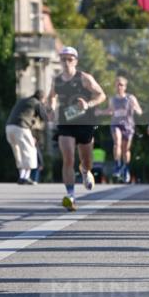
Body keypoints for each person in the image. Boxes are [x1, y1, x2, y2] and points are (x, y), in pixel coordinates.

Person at [47, 46, 106, 211]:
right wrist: (51, 108)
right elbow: (51, 97)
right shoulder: (57, 80)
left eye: (70, 59)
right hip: (65, 122)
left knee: (87, 161)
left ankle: (85, 171)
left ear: (76, 61)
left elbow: (101, 95)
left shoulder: (84, 78)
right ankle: (71, 196)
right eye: (63, 59)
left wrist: (88, 104)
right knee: (68, 158)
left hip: (85, 122)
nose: (66, 62)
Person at [96, 76, 142, 183]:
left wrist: (136, 109)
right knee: (117, 143)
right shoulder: (113, 99)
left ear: (125, 87)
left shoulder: (130, 98)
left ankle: (126, 168)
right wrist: (100, 112)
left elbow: (139, 110)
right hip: (116, 124)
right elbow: (110, 111)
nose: (119, 87)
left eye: (121, 85)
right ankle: (117, 165)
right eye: (117, 85)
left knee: (126, 150)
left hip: (128, 126)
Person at [5, 89, 48, 185]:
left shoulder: (23, 101)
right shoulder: (36, 103)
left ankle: (21, 176)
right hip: (21, 128)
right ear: (42, 98)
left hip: (9, 127)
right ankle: (26, 177)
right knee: (30, 151)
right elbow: (44, 117)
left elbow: (25, 116)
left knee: (18, 153)